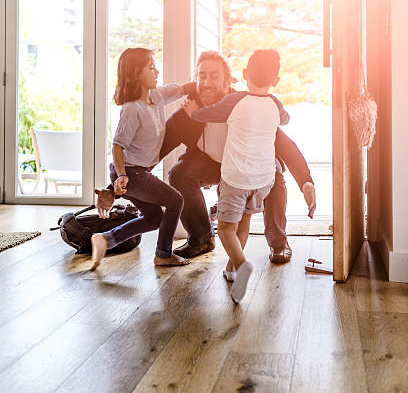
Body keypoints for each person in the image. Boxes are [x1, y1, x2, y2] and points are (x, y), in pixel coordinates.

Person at [160, 50, 316, 263]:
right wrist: (125, 177)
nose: (206, 82)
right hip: (212, 164)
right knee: (179, 174)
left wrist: (306, 181)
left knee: (275, 175)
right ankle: (202, 238)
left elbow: (285, 145)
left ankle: (278, 243)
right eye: (201, 76)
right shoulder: (189, 110)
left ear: (228, 81)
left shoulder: (245, 104)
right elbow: (160, 145)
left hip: (251, 164)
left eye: (213, 76)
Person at [185, 49, 289, 302]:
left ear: (244, 75)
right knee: (243, 221)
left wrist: (192, 112)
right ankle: (231, 269)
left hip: (236, 178)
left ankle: (242, 265)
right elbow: (285, 119)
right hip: (263, 179)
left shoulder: (236, 100)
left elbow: (207, 114)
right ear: (276, 80)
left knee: (225, 229)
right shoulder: (275, 103)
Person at [91, 47, 196, 270]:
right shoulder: (131, 109)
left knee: (153, 218)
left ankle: (105, 239)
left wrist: (218, 84)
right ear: (135, 72)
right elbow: (118, 146)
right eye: (151, 68)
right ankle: (163, 255)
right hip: (131, 173)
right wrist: (120, 177)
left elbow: (185, 88)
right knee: (175, 200)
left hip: (137, 173)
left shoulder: (156, 96)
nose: (156, 72)